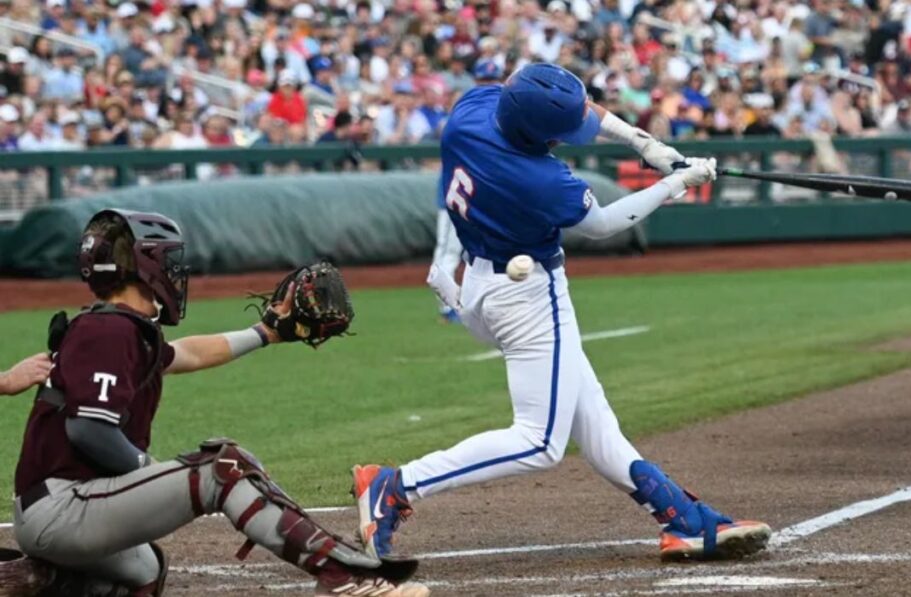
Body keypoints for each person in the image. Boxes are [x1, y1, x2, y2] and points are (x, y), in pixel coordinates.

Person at [353, 64, 770, 563]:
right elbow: (602, 223)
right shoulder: (539, 179)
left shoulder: (473, 110)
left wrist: (642, 143)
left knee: (592, 419)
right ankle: (395, 486)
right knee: (539, 442)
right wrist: (676, 183)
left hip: (483, 283)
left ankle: (682, 519)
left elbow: (575, 110)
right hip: (527, 298)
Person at [9, 209, 427, 596]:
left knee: (143, 569)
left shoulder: (117, 328)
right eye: (168, 262)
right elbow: (88, 430)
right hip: (63, 508)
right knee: (221, 468)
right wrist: (156, 475)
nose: (175, 273)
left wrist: (266, 332)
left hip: (65, 507)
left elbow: (187, 353)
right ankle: (347, 579)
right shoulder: (108, 331)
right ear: (145, 267)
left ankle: (39, 580)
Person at [428, 58, 503, 324]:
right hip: (454, 195)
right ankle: (446, 306)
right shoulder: (465, 109)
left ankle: (465, 303)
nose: (487, 85)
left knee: (466, 252)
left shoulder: (492, 110)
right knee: (448, 250)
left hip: (475, 196)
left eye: (492, 80)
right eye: (483, 79)